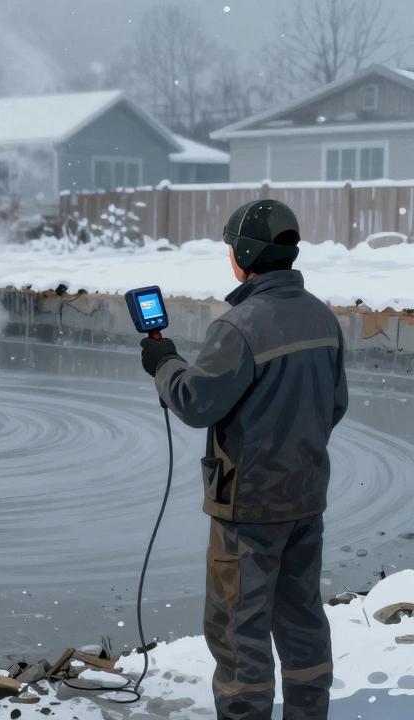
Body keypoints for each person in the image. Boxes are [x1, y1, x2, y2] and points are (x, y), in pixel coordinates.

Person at [139, 199, 348, 720]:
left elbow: (195, 403)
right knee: (302, 618)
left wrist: (164, 363)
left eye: (231, 246)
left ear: (245, 254)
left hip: (249, 509)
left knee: (239, 631)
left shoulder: (239, 327)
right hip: (305, 498)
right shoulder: (321, 317)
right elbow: (335, 405)